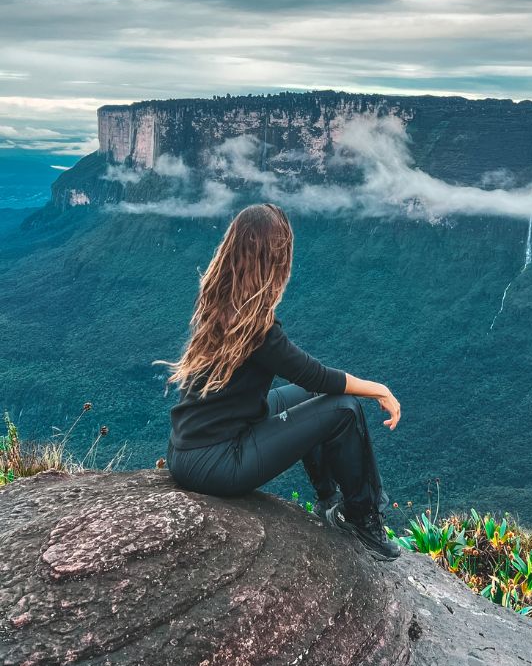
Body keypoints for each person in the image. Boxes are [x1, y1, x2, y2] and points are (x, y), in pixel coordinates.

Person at [157, 202, 401, 561]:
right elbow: (315, 373)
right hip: (217, 462)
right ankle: (362, 518)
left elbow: (310, 382)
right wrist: (379, 389)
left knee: (312, 397)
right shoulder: (257, 328)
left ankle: (327, 499)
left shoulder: (220, 299)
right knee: (344, 410)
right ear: (274, 261)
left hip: (191, 447)